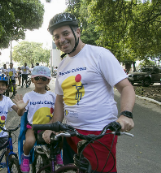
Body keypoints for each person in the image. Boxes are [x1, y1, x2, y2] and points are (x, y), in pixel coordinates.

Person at [42, 13, 135, 172]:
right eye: (56, 36)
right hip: (70, 134)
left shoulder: (99, 55)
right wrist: (53, 126)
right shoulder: (63, 65)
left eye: (66, 33)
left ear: (77, 32)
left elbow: (126, 87)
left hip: (99, 134)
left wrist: (126, 114)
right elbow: (59, 100)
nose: (61, 40)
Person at [13, 66, 63, 173]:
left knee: (62, 137)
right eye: (37, 78)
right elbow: (20, 113)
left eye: (43, 78)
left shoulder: (52, 96)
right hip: (33, 127)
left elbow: (57, 112)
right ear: (32, 80)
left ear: (48, 81)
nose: (40, 80)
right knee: (30, 141)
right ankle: (26, 157)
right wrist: (20, 109)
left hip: (50, 126)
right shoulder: (28, 95)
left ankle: (58, 152)